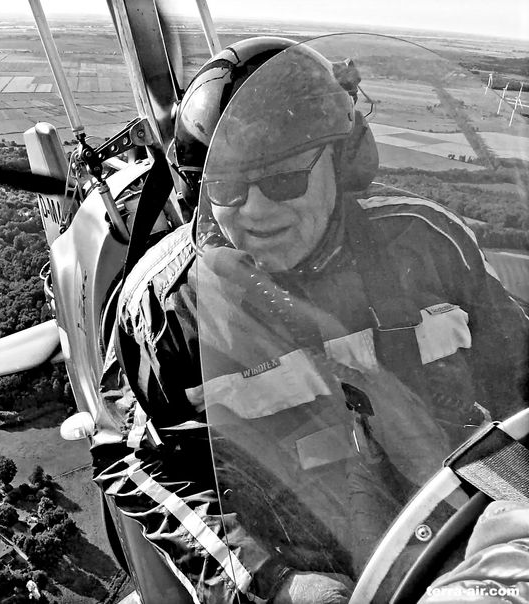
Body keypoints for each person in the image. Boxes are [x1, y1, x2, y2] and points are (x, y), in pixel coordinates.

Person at [98, 38, 529, 604]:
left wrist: (511, 496)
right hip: (301, 563)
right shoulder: (163, 309)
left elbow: (519, 382)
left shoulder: (427, 243)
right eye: (226, 187)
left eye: (282, 181)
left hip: (465, 521)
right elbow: (133, 460)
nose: (254, 211)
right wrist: (263, 581)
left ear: (344, 160)